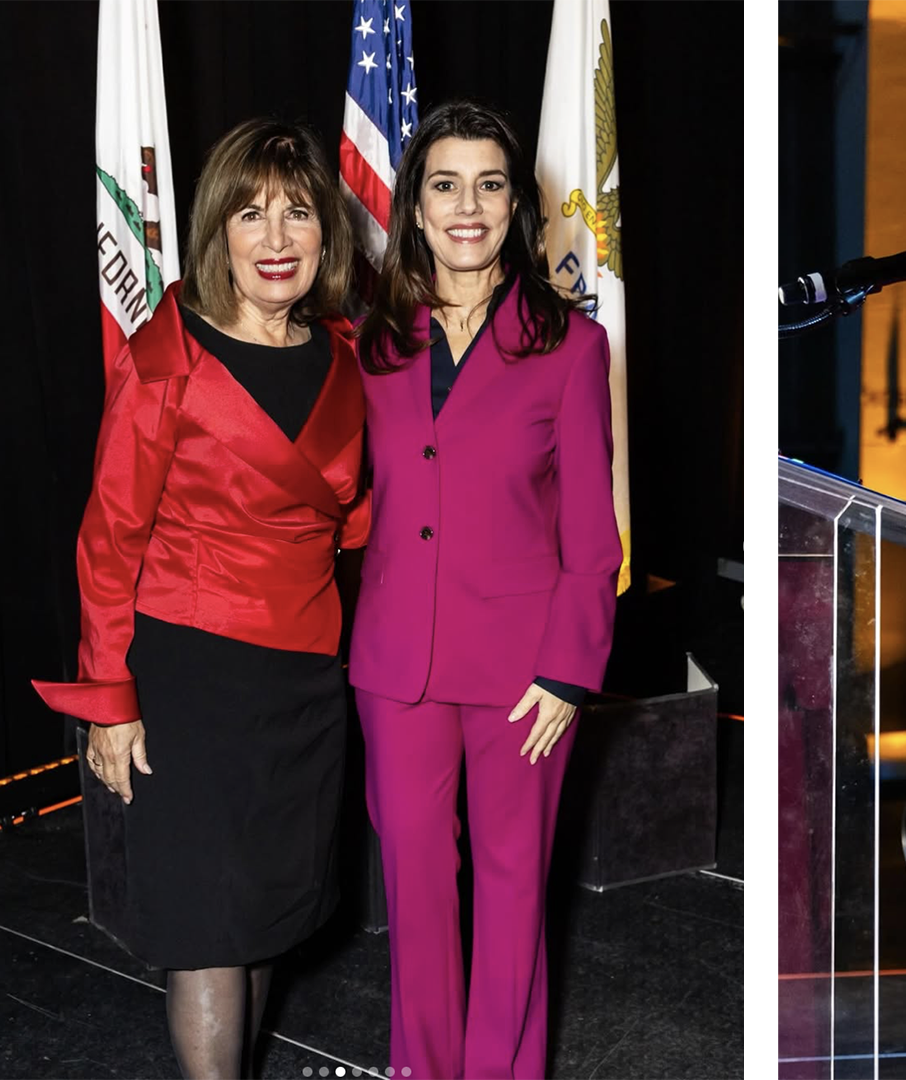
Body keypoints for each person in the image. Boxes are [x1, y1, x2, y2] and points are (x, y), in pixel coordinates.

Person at [33, 118, 366, 1078]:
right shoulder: (165, 360)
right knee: (212, 930)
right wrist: (109, 701)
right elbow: (107, 542)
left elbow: (354, 518)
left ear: (325, 234)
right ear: (216, 226)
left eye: (298, 213)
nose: (276, 239)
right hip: (190, 677)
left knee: (266, 919)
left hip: (305, 681)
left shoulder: (343, 357)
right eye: (252, 214)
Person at [351, 99, 619, 1080]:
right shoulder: (371, 342)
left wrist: (568, 673)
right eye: (445, 184)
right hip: (395, 667)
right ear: (415, 206)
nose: (468, 205)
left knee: (512, 897)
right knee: (415, 897)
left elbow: (594, 539)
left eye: (491, 184)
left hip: (524, 676)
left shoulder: (572, 349)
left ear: (519, 206)